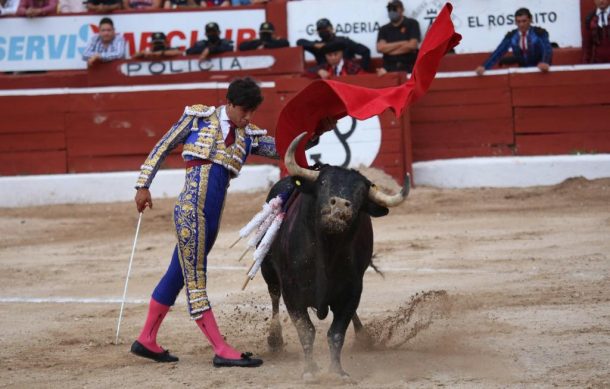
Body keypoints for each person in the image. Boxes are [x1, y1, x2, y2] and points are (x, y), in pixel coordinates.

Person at [131, 77, 331, 367]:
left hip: (212, 219)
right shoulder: (198, 118)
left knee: (178, 273)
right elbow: (163, 146)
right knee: (196, 279)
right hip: (191, 211)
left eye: (252, 112)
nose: (248, 117)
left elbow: (285, 148)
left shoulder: (249, 135)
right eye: (244, 111)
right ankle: (221, 348)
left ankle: (147, 339)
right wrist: (142, 185)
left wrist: (314, 133)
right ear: (230, 103)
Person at [475, 8, 552, 75]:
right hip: (523, 71)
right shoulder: (512, 36)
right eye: (518, 22)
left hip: (539, 71)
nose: (521, 24)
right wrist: (485, 66)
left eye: (524, 21)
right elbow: (499, 52)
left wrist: (545, 62)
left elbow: (546, 49)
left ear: (530, 20)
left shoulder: (539, 33)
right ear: (515, 22)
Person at [297, 18, 371, 71]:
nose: (323, 31)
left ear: (332, 29)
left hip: (346, 75)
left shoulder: (343, 41)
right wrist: (314, 45)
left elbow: (365, 51)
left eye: (325, 29)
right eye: (321, 30)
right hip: (326, 77)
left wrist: (362, 70)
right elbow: (299, 42)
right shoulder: (317, 45)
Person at [376, 0, 421, 76]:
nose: (392, 11)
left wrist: (389, 50)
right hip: (389, 68)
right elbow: (380, 48)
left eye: (394, 9)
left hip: (410, 67)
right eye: (389, 9)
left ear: (402, 10)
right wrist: (403, 43)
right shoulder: (384, 29)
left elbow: (412, 45)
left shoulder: (412, 23)